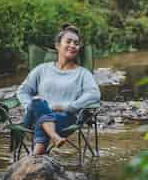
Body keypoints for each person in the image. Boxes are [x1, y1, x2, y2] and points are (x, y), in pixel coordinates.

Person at [16, 24, 101, 155]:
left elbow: (94, 95)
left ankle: (35, 157)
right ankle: (52, 140)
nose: (73, 45)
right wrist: (30, 107)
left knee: (42, 118)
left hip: (65, 119)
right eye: (68, 41)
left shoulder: (83, 73)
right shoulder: (42, 69)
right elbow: (23, 91)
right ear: (57, 45)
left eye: (76, 43)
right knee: (38, 103)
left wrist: (67, 107)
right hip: (35, 115)